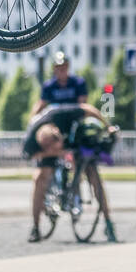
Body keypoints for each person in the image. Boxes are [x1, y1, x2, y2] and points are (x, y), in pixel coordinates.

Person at [22, 101, 118, 243]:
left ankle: (108, 222)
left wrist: (107, 126)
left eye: (56, 146)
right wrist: (54, 153)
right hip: (45, 154)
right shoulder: (32, 140)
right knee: (40, 178)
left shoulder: (60, 115)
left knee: (93, 174)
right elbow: (28, 155)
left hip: (72, 141)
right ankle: (35, 227)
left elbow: (88, 109)